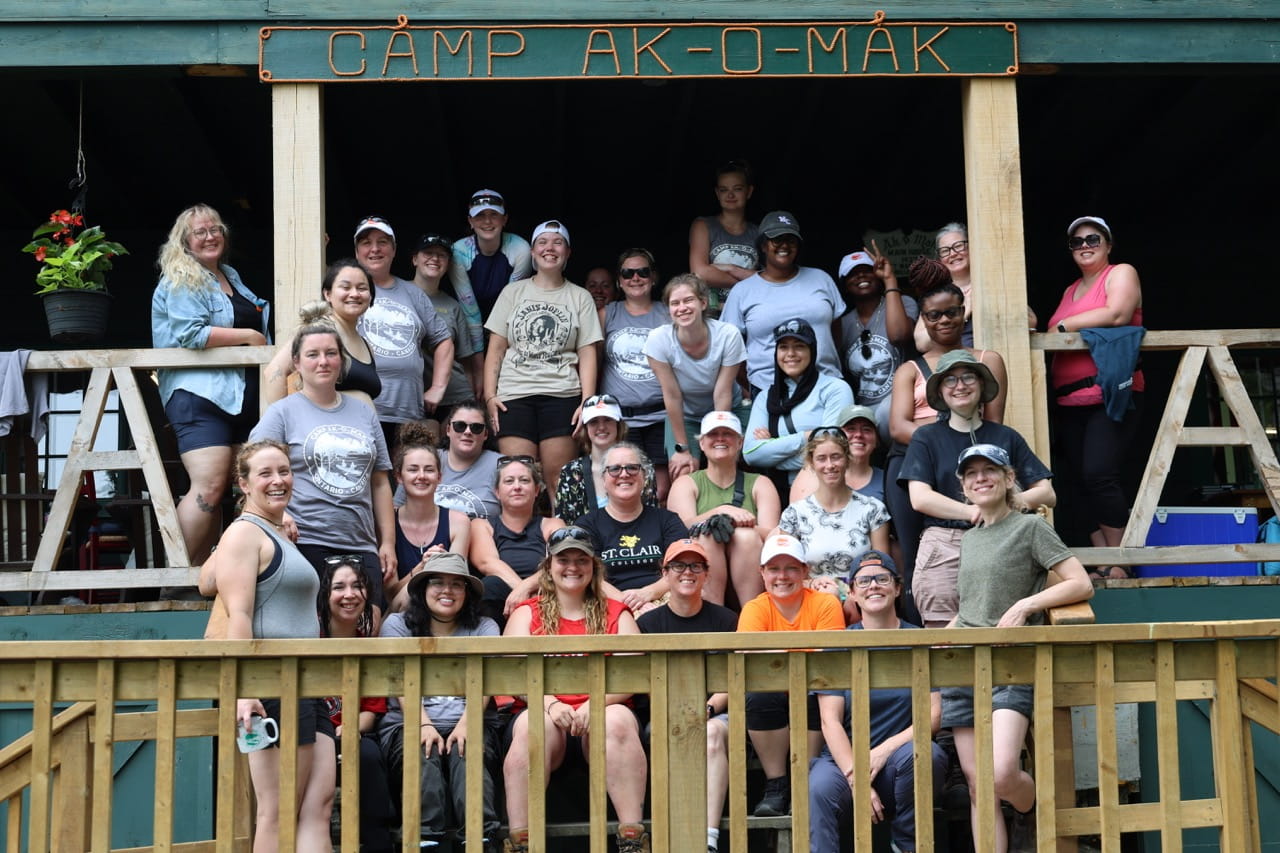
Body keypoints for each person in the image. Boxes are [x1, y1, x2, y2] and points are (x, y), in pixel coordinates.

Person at [946, 444, 1093, 853]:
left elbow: (1081, 583)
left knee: (1002, 774)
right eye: (971, 473)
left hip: (1011, 666)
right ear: (963, 487)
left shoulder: (1030, 527)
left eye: (989, 470)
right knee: (978, 787)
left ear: (1009, 478)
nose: (980, 478)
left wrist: (1026, 604)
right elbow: (972, 607)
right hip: (964, 668)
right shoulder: (970, 538)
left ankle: (1030, 811)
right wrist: (946, 634)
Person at [200, 440, 332, 852]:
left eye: (285, 471)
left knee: (318, 805)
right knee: (277, 811)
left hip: (307, 684)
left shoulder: (273, 531)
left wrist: (278, 520)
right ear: (243, 483)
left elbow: (204, 580)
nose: (278, 480)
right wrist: (243, 691)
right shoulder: (242, 533)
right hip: (270, 685)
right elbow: (237, 614)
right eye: (265, 474)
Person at [501, 528, 650, 853]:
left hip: (601, 717)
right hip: (543, 713)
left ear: (594, 567)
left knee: (617, 720)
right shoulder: (527, 612)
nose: (572, 566)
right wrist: (551, 704)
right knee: (531, 726)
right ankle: (521, 841)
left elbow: (634, 674)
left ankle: (632, 839)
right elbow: (511, 673)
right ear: (548, 568)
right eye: (563, 559)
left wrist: (595, 704)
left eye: (581, 559)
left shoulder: (616, 612)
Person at [248, 322, 396, 621]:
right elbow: (251, 470)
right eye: (312, 354)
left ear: (341, 360)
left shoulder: (364, 410)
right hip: (305, 540)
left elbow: (380, 482)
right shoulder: (282, 412)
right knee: (318, 634)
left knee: (368, 628)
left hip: (361, 542)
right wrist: (279, 515)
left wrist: (388, 543)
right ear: (297, 363)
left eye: (331, 353)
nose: (323, 361)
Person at [886, 262, 1009, 614]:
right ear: (923, 320)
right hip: (913, 459)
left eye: (952, 313)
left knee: (979, 538)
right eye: (934, 315)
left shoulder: (987, 359)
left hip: (973, 460)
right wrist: (943, 442)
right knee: (912, 548)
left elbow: (995, 423)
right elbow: (898, 426)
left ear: (963, 313)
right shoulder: (910, 368)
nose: (944, 321)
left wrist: (961, 449)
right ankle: (915, 626)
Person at [899, 350, 1055, 628]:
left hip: (1003, 540)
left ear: (982, 384)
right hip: (945, 543)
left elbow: (1047, 492)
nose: (960, 386)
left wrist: (1005, 505)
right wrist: (973, 511)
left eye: (968, 377)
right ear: (940, 392)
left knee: (1003, 628)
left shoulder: (1005, 436)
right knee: (944, 640)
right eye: (950, 380)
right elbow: (919, 497)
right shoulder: (926, 437)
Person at [151, 204, 270, 565]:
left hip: (242, 396)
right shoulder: (181, 277)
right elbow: (190, 333)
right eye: (200, 232)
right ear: (185, 242)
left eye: (215, 229)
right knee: (210, 486)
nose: (209, 236)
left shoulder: (230, 275)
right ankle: (174, 580)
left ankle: (206, 577)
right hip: (200, 395)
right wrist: (250, 335)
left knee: (247, 487)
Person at [809, 550, 946, 853]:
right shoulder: (838, 645)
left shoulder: (918, 640)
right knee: (817, 788)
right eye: (865, 580)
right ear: (853, 593)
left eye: (882, 579)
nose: (874, 586)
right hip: (844, 764)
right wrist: (858, 778)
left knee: (927, 754)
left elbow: (934, 715)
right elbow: (829, 721)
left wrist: (882, 751)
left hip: (898, 762)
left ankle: (909, 847)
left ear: (897, 588)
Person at [378, 552, 502, 848]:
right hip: (407, 722)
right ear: (423, 589)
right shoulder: (397, 625)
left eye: (456, 584)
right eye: (437, 582)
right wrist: (422, 723)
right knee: (422, 750)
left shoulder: (485, 627)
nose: (447, 590)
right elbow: (397, 680)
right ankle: (425, 840)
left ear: (467, 593)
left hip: (471, 718)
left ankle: (480, 838)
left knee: (467, 749)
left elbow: (486, 682)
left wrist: (466, 723)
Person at [1047, 215, 1144, 579]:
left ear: (1108, 243)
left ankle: (1121, 559)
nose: (1085, 246)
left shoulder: (1120, 272)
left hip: (1110, 394)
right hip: (1069, 400)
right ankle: (1103, 558)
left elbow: (1117, 313)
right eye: (1077, 242)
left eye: (1093, 239)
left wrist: (1061, 326)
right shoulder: (1070, 289)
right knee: (1073, 478)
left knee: (1099, 472)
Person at [483, 219, 602, 498]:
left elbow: (587, 352)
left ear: (568, 253)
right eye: (543, 243)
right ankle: (520, 541)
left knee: (559, 478)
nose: (550, 248)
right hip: (514, 395)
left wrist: (588, 401)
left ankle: (561, 539)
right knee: (518, 477)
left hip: (562, 394)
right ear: (533, 253)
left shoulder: (580, 297)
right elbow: (496, 347)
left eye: (558, 242)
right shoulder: (513, 292)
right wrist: (489, 395)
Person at [637, 539, 740, 853]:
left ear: (707, 574)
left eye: (696, 565)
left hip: (716, 714)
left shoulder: (727, 620)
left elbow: (734, 679)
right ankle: (670, 838)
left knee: (709, 735)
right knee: (666, 734)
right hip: (661, 715)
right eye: (679, 565)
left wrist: (706, 708)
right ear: (665, 573)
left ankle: (707, 840)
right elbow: (640, 685)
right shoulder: (646, 624)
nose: (688, 572)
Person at [738, 533, 845, 817]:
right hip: (772, 697)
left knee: (817, 690)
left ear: (805, 571)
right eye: (774, 568)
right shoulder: (755, 608)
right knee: (760, 693)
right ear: (762, 573)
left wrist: (781, 660)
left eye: (791, 568)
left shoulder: (825, 603)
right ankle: (777, 783)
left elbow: (827, 664)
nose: (782, 576)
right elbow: (753, 666)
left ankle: (804, 779)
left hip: (815, 692)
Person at [351, 216, 454, 453]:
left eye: (382, 242)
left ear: (394, 250)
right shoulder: (347, 291)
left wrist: (438, 387)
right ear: (357, 252)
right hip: (359, 409)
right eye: (366, 243)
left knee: (404, 481)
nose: (375, 249)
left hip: (406, 410)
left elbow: (443, 340)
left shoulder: (413, 293)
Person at [719, 210, 845, 396]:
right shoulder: (743, 291)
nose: (784, 245)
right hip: (769, 389)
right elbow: (729, 346)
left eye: (791, 240)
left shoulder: (821, 278)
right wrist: (751, 387)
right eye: (776, 239)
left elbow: (836, 330)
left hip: (826, 385)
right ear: (763, 245)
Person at [317, 557, 394, 853]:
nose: (349, 594)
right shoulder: (310, 639)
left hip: (352, 734)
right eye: (339, 587)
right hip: (312, 734)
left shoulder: (369, 647)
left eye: (357, 586)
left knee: (370, 754)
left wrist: (347, 729)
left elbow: (371, 711)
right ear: (325, 595)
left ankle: (377, 841)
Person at [667, 411, 780, 608]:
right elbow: (677, 531)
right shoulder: (686, 483)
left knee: (745, 536)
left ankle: (751, 616)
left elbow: (773, 535)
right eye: (713, 434)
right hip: (700, 576)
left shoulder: (760, 483)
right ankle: (714, 617)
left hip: (751, 569)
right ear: (701, 443)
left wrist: (736, 525)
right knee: (706, 534)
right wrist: (720, 512)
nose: (720, 438)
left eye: (727, 433)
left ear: (740, 442)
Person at [645, 272, 748, 480]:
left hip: (729, 408)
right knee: (683, 470)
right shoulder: (659, 340)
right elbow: (672, 395)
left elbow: (722, 392)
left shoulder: (728, 334)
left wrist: (720, 437)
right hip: (686, 414)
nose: (681, 308)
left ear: (702, 302)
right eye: (675, 303)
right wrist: (682, 448)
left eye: (688, 300)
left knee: (727, 463)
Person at [778, 428, 891, 603]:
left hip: (860, 601)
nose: (829, 465)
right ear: (811, 464)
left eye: (836, 457)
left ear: (847, 460)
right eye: (821, 459)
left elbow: (881, 569)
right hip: (810, 600)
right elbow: (786, 574)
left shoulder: (873, 509)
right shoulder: (795, 514)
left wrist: (851, 595)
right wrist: (819, 587)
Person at [576, 443, 688, 615]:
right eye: (614, 469)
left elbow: (682, 567)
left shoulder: (667, 521)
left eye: (632, 468)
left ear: (644, 476)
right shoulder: (587, 525)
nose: (624, 474)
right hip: (607, 602)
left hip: (663, 600)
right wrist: (627, 604)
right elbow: (588, 575)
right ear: (603, 479)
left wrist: (646, 594)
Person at [743, 318, 854, 487]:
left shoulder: (835, 389)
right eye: (783, 347)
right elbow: (751, 454)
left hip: (822, 489)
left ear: (812, 351)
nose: (790, 354)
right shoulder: (766, 398)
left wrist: (773, 453)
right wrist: (806, 437)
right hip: (777, 491)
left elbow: (833, 452)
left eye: (799, 346)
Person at [599, 248, 672, 499]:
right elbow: (591, 360)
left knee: (661, 490)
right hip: (621, 418)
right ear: (619, 281)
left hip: (662, 414)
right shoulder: (607, 313)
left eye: (643, 272)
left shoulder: (668, 312)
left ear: (653, 277)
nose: (635, 278)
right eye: (628, 273)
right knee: (625, 486)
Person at [263, 259, 382, 407]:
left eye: (362, 288)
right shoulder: (318, 331)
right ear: (327, 294)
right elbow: (274, 372)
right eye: (345, 287)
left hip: (364, 428)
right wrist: (282, 424)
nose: (354, 294)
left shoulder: (367, 345)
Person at [913, 223, 1038, 355]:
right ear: (939, 259)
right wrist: (963, 312)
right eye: (945, 250)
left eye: (959, 246)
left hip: (995, 360)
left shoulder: (993, 284)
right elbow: (921, 343)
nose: (953, 254)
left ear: (971, 247)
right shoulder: (936, 294)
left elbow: (1030, 322)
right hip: (952, 366)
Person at [470, 455, 566, 625]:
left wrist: (526, 588)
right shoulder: (482, 525)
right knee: (490, 585)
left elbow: (561, 563)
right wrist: (522, 594)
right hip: (502, 603)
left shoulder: (552, 524)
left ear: (536, 490)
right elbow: (487, 563)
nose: (517, 487)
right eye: (509, 481)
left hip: (544, 595)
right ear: (497, 492)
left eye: (524, 480)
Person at [387, 421, 470, 611]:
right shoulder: (388, 522)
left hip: (444, 610)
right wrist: (422, 567)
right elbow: (390, 596)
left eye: (429, 470)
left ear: (439, 477)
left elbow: (453, 583)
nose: (422, 476)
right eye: (413, 469)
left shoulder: (458, 522)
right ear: (399, 477)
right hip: (399, 614)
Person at [837, 247, 917, 443]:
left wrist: (890, 280)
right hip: (862, 408)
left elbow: (899, 336)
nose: (861, 276)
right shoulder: (842, 323)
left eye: (867, 270)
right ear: (845, 285)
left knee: (884, 413)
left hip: (900, 401)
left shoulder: (902, 302)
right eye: (853, 274)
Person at [448, 189, 533, 354]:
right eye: (480, 215)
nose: (487, 221)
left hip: (507, 320)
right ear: (470, 221)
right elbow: (469, 308)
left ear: (504, 219)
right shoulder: (459, 251)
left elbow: (511, 304)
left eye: (494, 214)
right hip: (470, 318)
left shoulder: (521, 249)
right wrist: (479, 362)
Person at [553, 393, 657, 524]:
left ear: (618, 424)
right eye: (594, 422)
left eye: (607, 419)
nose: (601, 427)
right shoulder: (570, 472)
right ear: (585, 428)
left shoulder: (642, 467)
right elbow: (563, 522)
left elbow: (652, 518)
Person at [409, 232, 484, 407]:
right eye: (428, 253)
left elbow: (465, 360)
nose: (435, 259)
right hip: (409, 396)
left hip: (454, 397)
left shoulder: (453, 306)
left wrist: (472, 401)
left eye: (441, 255)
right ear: (415, 259)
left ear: (448, 263)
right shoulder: (398, 293)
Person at [687, 159, 759, 319]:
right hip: (711, 314)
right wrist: (749, 281)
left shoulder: (758, 232)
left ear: (749, 191)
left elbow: (770, 277)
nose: (731, 195)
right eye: (724, 189)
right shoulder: (704, 225)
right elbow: (700, 273)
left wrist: (732, 269)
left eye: (738, 189)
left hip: (748, 312)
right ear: (717, 193)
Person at [790, 403, 885, 504]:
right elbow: (800, 514)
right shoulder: (816, 473)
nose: (858, 434)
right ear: (838, 437)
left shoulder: (886, 480)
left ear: (876, 440)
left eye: (866, 430)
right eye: (851, 429)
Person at [435, 400, 502, 521]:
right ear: (448, 430)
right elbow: (400, 507)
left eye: (476, 427)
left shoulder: (500, 465)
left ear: (486, 434)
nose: (467, 432)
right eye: (460, 426)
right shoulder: (428, 460)